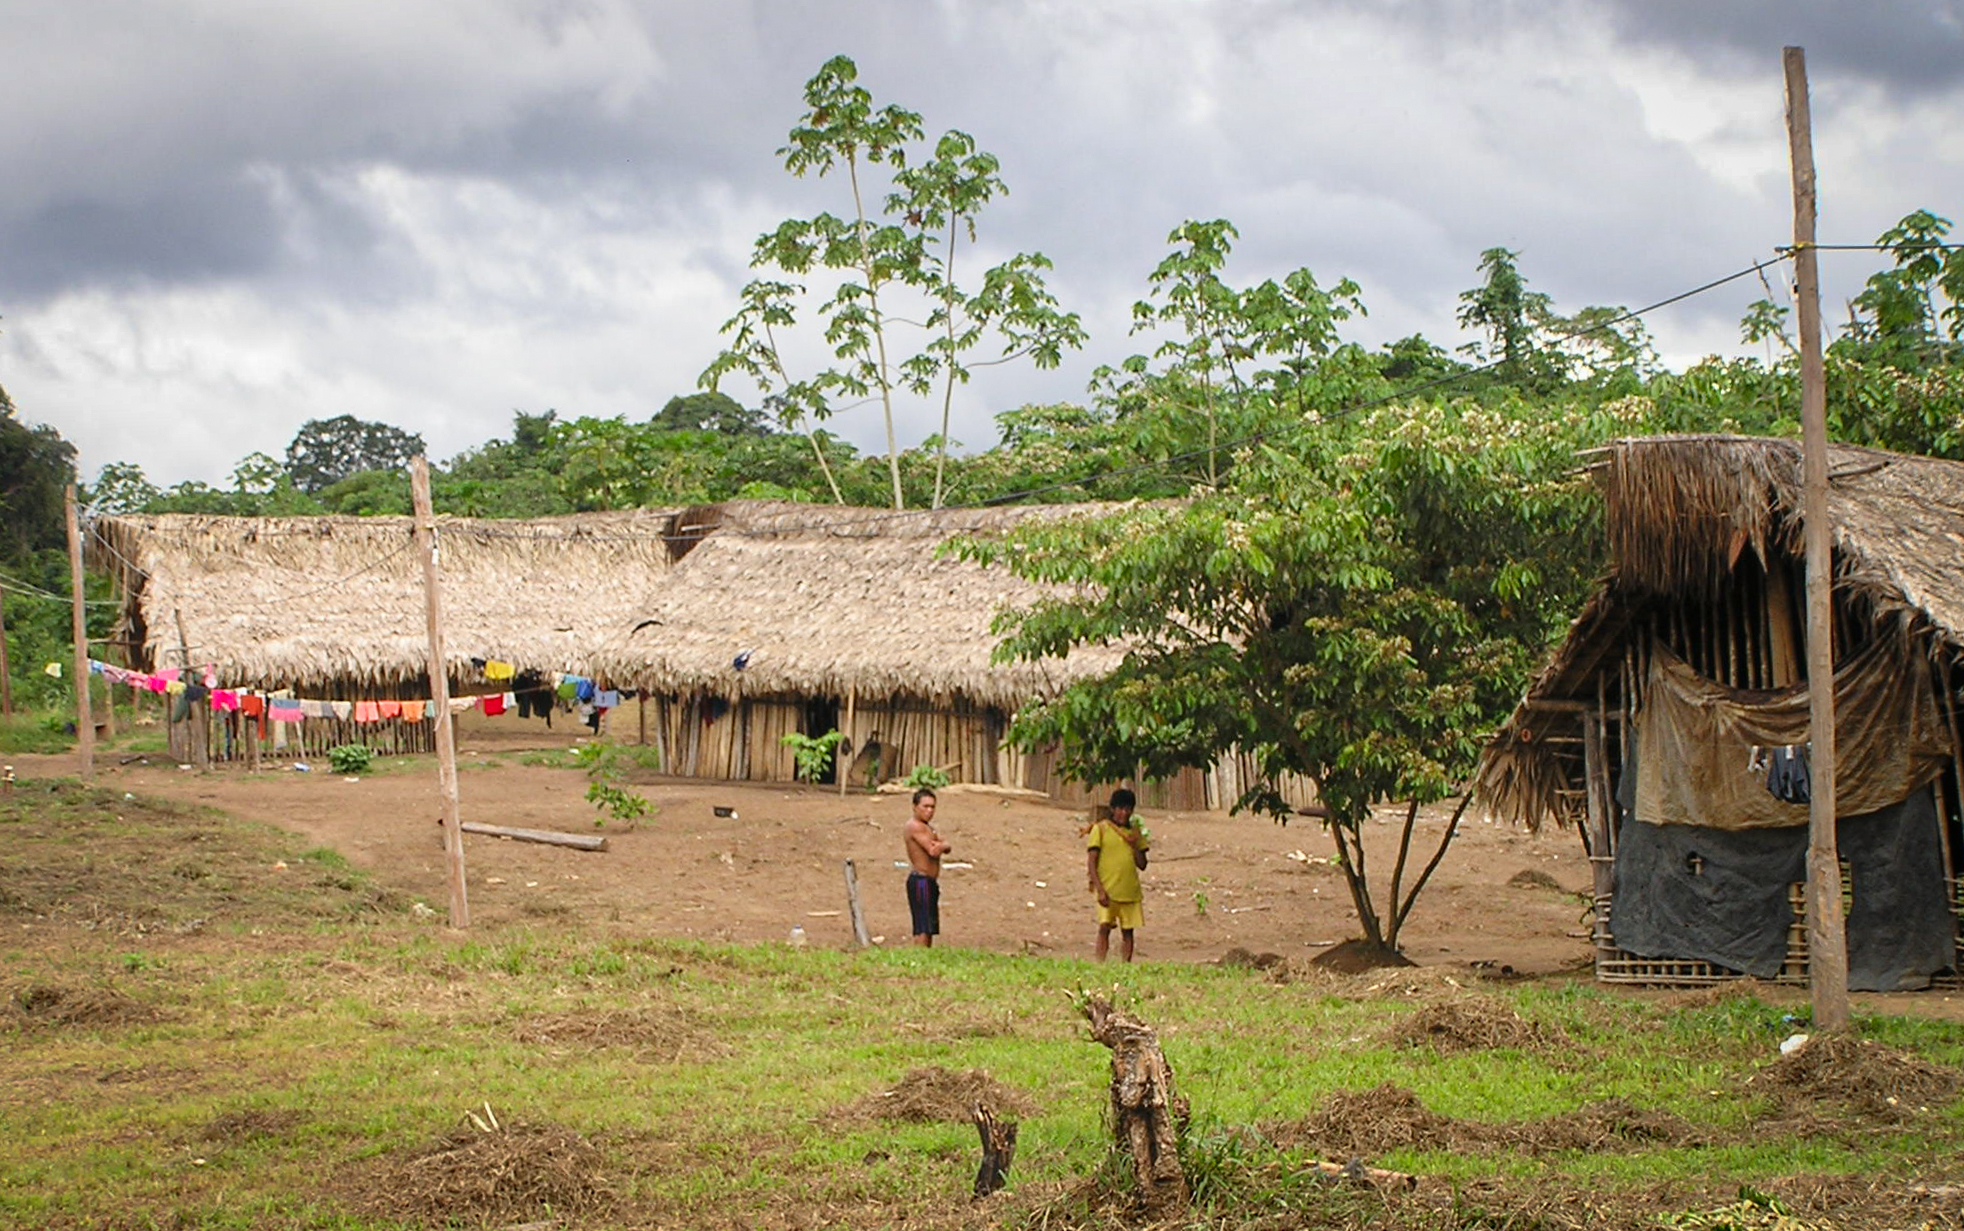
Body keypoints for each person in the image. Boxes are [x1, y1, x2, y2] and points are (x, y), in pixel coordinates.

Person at [1086, 787, 1150, 962]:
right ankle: (1099, 963)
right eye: (1120, 808)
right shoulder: (1100, 829)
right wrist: (1099, 889)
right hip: (1107, 889)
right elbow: (1092, 861)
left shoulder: (1135, 834)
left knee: (1128, 931)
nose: (1124, 813)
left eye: (1128, 809)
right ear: (1112, 809)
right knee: (1105, 927)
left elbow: (1142, 864)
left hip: (1129, 891)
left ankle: (1125, 965)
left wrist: (1135, 845)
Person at [903, 786, 951, 948]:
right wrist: (942, 845)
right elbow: (933, 850)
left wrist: (943, 845)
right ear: (915, 806)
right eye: (925, 806)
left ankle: (926, 956)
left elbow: (945, 846)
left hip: (929, 881)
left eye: (932, 807)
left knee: (929, 926)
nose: (929, 811)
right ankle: (920, 957)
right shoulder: (914, 826)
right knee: (922, 926)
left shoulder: (928, 828)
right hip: (920, 881)